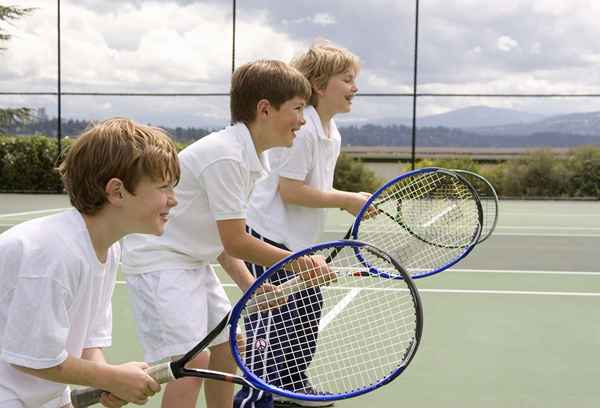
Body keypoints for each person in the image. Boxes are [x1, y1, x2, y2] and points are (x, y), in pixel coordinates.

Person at [121, 60, 327, 408]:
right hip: (159, 262)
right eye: (296, 109)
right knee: (189, 364)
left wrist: (250, 285)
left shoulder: (249, 157)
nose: (302, 120)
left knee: (231, 345)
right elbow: (236, 240)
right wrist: (300, 263)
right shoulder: (227, 156)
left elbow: (222, 239)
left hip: (193, 261)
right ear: (265, 109)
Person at [0, 118, 180, 408]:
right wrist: (110, 378)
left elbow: (87, 341)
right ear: (117, 191)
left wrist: (108, 378)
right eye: (164, 187)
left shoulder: (107, 249)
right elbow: (31, 356)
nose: (173, 200)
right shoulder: (53, 253)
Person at [234, 41, 369, 408]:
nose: (355, 87)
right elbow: (291, 190)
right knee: (273, 322)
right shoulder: (305, 127)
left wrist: (349, 198)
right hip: (268, 238)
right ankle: (254, 397)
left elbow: (317, 188)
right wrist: (345, 200)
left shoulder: (331, 132)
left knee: (307, 312)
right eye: (347, 79)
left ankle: (292, 388)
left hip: (299, 243)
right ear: (321, 86)